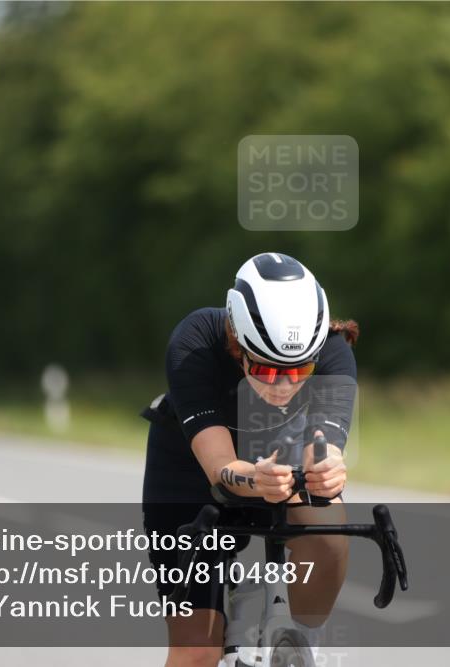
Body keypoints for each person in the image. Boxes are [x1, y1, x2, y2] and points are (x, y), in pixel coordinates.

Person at [141, 252, 359, 667]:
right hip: (190, 469)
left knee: (331, 534)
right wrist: (255, 479)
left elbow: (324, 447)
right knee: (195, 653)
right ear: (237, 342)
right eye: (266, 369)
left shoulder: (331, 350)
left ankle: (300, 641)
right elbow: (219, 467)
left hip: (282, 457)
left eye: (299, 371)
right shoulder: (194, 343)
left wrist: (327, 468)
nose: (283, 385)